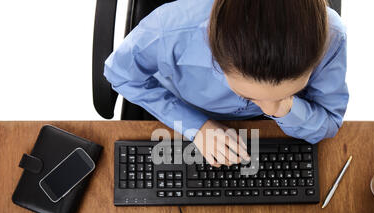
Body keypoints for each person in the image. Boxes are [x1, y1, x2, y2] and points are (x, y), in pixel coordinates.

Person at [104, 0, 348, 167]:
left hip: (275, 129)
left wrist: (284, 107)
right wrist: (195, 126)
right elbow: (120, 74)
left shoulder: (333, 36)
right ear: (215, 56)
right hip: (185, 109)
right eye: (251, 96)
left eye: (287, 90)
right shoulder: (169, 30)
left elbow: (328, 121)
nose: (266, 107)